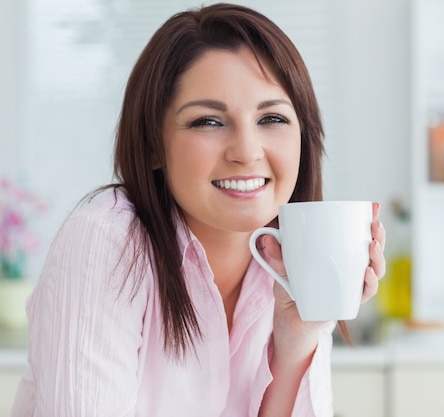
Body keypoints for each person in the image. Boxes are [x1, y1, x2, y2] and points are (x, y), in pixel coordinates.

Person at [11, 3, 386, 417]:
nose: (246, 152)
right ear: (155, 144)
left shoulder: (291, 262)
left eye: (272, 118)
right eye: (208, 121)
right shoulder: (104, 244)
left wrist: (297, 337)